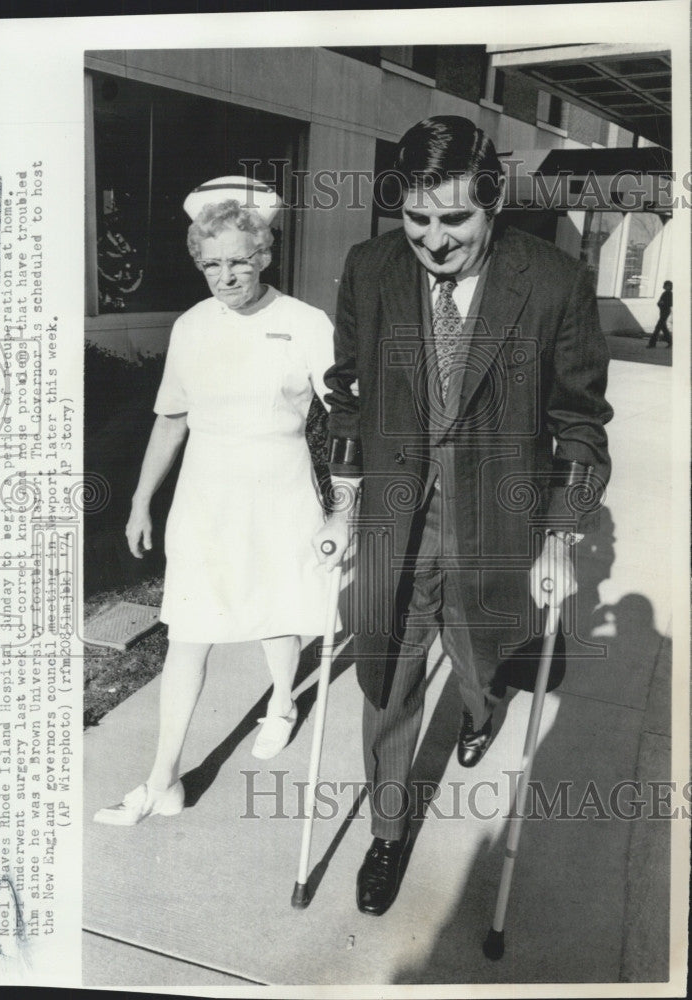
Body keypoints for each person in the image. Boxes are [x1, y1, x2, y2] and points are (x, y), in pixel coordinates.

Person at [316, 116, 613, 915]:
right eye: (417, 219)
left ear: (493, 206)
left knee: (482, 656)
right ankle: (387, 832)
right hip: (393, 518)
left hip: (495, 519)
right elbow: (346, 395)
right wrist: (341, 501)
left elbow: (580, 421)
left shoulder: (552, 281)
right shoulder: (370, 268)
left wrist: (560, 529)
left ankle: (484, 706)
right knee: (387, 671)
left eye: (455, 220)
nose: (433, 241)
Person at [95, 176, 335, 826]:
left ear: (263, 255)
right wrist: (142, 498)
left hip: (280, 492)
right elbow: (171, 418)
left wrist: (348, 505)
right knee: (188, 634)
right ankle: (161, 781)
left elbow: (349, 417)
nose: (225, 276)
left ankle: (283, 701)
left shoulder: (306, 324)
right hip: (204, 498)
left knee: (276, 612)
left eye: (237, 260)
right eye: (211, 264)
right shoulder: (192, 327)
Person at [646, 280, 672, 348]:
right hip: (662, 311)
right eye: (665, 285)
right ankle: (670, 342)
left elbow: (670, 304)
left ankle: (652, 343)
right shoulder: (664, 293)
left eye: (667, 285)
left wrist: (662, 304)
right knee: (663, 328)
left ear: (670, 286)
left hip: (665, 312)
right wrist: (661, 304)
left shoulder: (670, 294)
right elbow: (659, 302)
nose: (666, 287)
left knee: (657, 327)